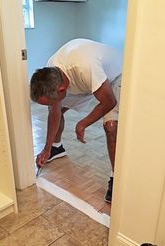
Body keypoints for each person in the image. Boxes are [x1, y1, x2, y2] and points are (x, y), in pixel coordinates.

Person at [30, 38, 122, 203]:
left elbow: (109, 101)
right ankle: (56, 149)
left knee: (111, 127)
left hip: (115, 76)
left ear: (62, 89)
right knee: (57, 110)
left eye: (51, 101)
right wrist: (46, 149)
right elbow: (54, 113)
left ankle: (116, 179)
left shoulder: (86, 67)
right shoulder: (52, 70)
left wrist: (83, 123)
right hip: (83, 79)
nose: (50, 106)